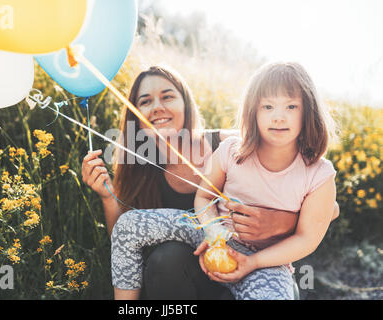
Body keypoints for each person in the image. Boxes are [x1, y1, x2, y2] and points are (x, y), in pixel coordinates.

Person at [82, 65, 338, 300]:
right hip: (210, 234)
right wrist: (212, 233)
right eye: (268, 107)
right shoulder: (231, 150)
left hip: (266, 261)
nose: (278, 117)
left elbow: (316, 226)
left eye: (291, 107)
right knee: (131, 227)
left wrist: (274, 230)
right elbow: (201, 198)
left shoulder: (312, 170)